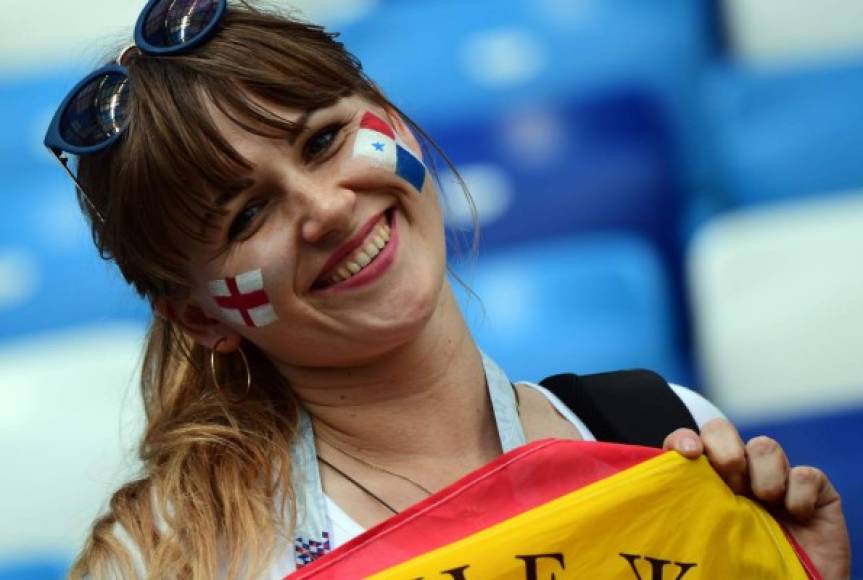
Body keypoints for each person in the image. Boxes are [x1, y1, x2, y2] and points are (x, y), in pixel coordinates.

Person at [44, 1, 850, 578]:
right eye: (247, 213)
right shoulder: (172, 560)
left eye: (325, 140)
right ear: (197, 314)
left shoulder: (666, 431)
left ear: (391, 119)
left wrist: (798, 571)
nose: (325, 208)